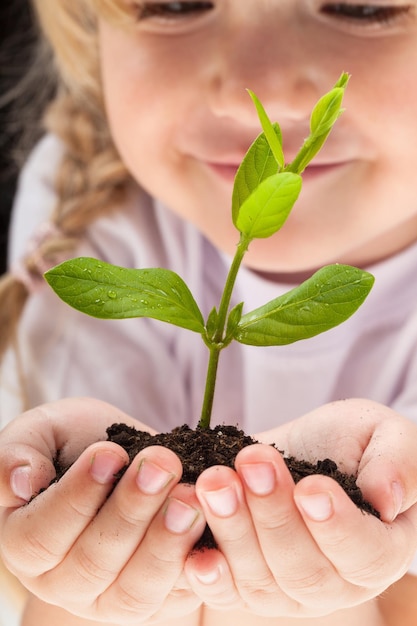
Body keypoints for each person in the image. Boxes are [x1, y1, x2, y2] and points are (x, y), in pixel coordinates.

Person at [0, 0, 417, 624]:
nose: (261, 92)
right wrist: (80, 571)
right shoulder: (89, 208)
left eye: (362, 6)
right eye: (174, 2)